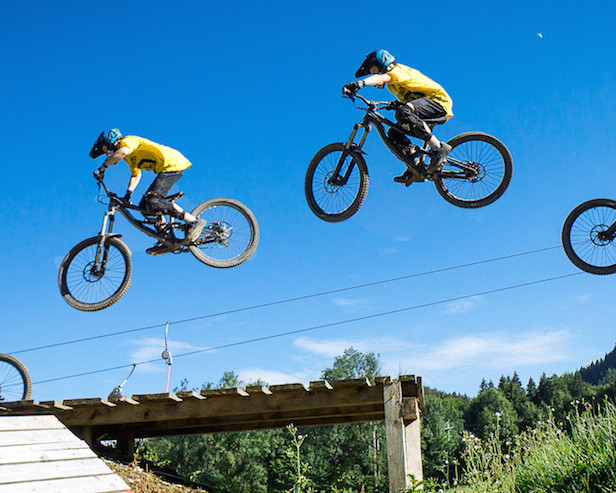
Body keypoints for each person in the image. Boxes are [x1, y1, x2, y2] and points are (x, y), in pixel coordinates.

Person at [343, 50, 453, 184]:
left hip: (438, 102)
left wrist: (360, 84)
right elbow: (411, 97)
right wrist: (395, 104)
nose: (374, 75)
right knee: (394, 133)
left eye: (375, 71)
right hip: (425, 106)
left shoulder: (398, 70)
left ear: (383, 65)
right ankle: (414, 164)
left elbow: (383, 78)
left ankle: (438, 147)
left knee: (403, 112)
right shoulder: (392, 87)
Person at [90, 129, 206, 255]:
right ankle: (166, 238)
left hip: (172, 163)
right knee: (144, 206)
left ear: (111, 143)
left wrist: (102, 167)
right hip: (166, 167)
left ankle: (193, 221)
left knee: (153, 200)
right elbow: (135, 175)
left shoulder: (128, 141)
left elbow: (122, 151)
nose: (108, 154)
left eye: (106, 150)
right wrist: (128, 194)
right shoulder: (129, 158)